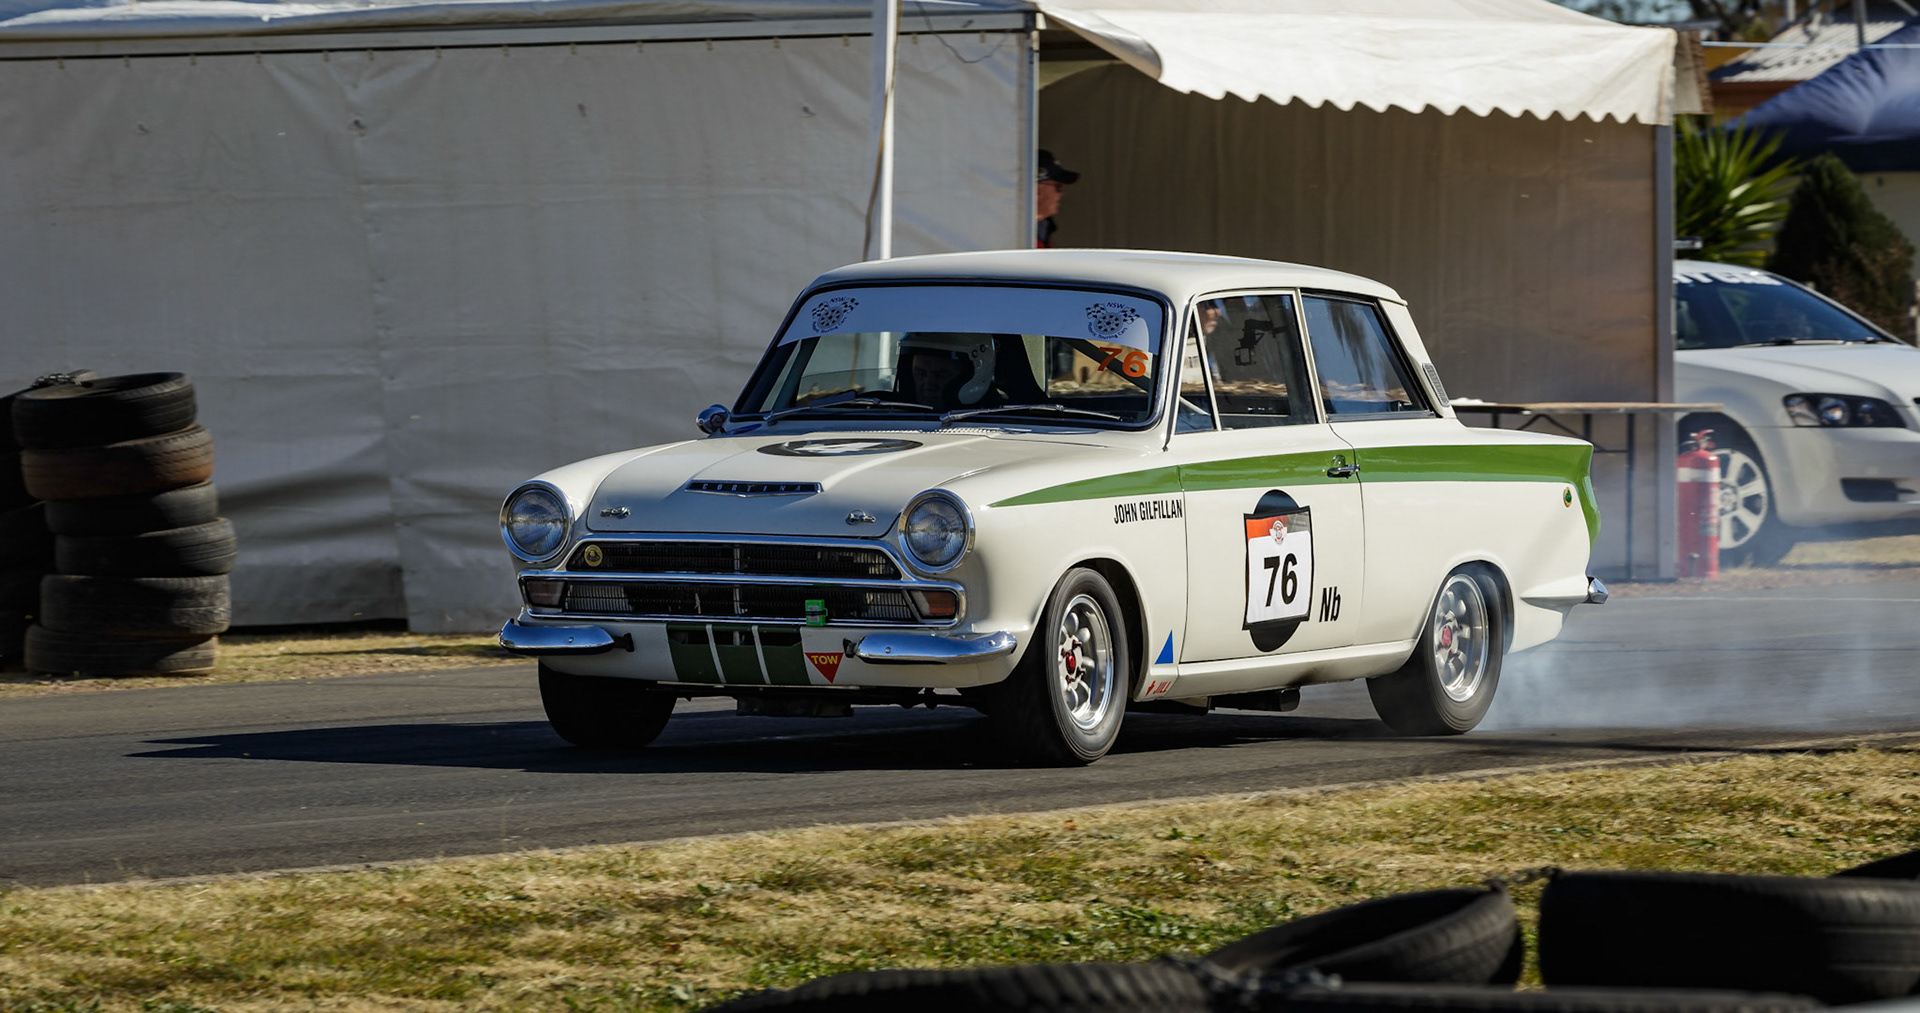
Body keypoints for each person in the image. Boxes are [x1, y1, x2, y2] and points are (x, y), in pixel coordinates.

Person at [896, 332, 998, 411]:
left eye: (941, 375)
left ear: (970, 376)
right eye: (920, 373)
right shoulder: (891, 413)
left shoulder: (1002, 420)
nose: (928, 385)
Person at [1035, 149, 1079, 248]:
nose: (1061, 194)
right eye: (1058, 187)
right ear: (1036, 189)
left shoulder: (1044, 226)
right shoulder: (1007, 231)